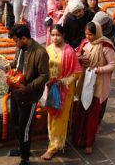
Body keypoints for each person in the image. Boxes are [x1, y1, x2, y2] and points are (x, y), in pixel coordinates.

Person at [7, 24, 50, 165]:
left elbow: (44, 76)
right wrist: (10, 66)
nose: (15, 44)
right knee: (16, 123)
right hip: (15, 93)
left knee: (25, 127)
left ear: (24, 38)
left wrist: (28, 87)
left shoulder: (40, 53)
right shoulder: (20, 47)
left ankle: (25, 157)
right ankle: (20, 148)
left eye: (16, 41)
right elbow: (16, 62)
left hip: (29, 96)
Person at [73, 21, 115, 155]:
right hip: (84, 79)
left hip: (98, 83)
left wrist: (99, 69)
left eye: (91, 34)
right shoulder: (85, 43)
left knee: (92, 114)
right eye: (86, 34)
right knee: (81, 110)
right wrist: (80, 58)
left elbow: (112, 64)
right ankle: (78, 138)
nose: (88, 37)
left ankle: (89, 142)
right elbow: (76, 54)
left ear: (97, 33)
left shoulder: (105, 46)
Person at [41, 24, 82, 161]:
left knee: (60, 118)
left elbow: (77, 72)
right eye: (52, 35)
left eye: (57, 35)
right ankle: (53, 140)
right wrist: (46, 80)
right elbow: (44, 69)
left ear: (63, 35)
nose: (55, 38)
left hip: (64, 90)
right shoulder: (48, 50)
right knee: (51, 115)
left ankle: (54, 147)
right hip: (52, 88)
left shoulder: (69, 52)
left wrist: (63, 81)